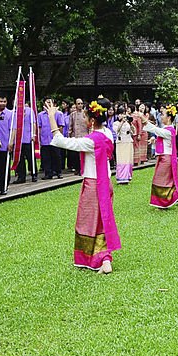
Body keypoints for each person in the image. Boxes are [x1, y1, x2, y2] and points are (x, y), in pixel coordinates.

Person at [46, 98, 121, 273]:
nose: (84, 120)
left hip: (93, 185)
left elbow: (62, 141)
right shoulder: (108, 134)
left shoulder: (91, 141)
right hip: (105, 183)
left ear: (92, 121)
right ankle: (104, 257)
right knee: (101, 221)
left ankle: (100, 259)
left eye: (86, 117)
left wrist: (52, 117)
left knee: (86, 222)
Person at [143, 106, 178, 213]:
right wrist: (154, 139)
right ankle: (168, 203)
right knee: (166, 182)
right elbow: (160, 135)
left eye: (163, 115)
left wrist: (145, 121)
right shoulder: (166, 129)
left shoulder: (170, 130)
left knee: (160, 180)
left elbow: (156, 130)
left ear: (169, 117)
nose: (161, 116)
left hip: (166, 159)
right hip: (163, 158)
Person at [0, 94, 12, 194]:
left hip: (5, 144)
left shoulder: (10, 114)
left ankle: (3, 186)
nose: (2, 103)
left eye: (4, 101)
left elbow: (13, 129)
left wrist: (11, 142)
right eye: (0, 101)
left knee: (4, 166)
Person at [114, 108, 136, 184]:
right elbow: (116, 130)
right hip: (121, 142)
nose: (122, 115)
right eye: (120, 114)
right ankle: (121, 177)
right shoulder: (116, 123)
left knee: (128, 159)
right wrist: (122, 122)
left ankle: (128, 176)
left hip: (128, 141)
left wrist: (130, 124)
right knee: (121, 160)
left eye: (123, 113)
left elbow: (134, 132)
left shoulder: (128, 123)